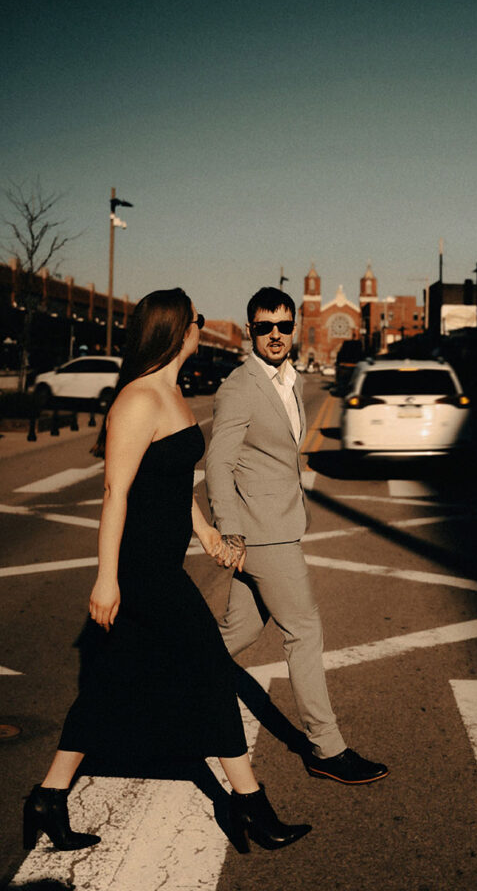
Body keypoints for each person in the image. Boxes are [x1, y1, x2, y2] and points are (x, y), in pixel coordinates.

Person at [23, 288, 310, 854]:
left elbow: (172, 484)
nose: (203, 327)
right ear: (178, 329)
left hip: (162, 561)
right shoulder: (138, 400)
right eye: (197, 320)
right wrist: (108, 578)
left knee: (106, 685)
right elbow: (115, 493)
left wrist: (205, 532)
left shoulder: (171, 392)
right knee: (209, 669)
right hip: (143, 571)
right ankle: (250, 804)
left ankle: (48, 796)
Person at [206, 286, 388, 785]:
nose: (275, 335)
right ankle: (326, 748)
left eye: (283, 325)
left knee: (234, 634)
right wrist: (232, 533)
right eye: (264, 327)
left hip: (279, 523)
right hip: (264, 536)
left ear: (295, 326)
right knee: (303, 632)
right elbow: (218, 464)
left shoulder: (288, 380)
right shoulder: (241, 386)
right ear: (250, 332)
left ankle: (155, 692)